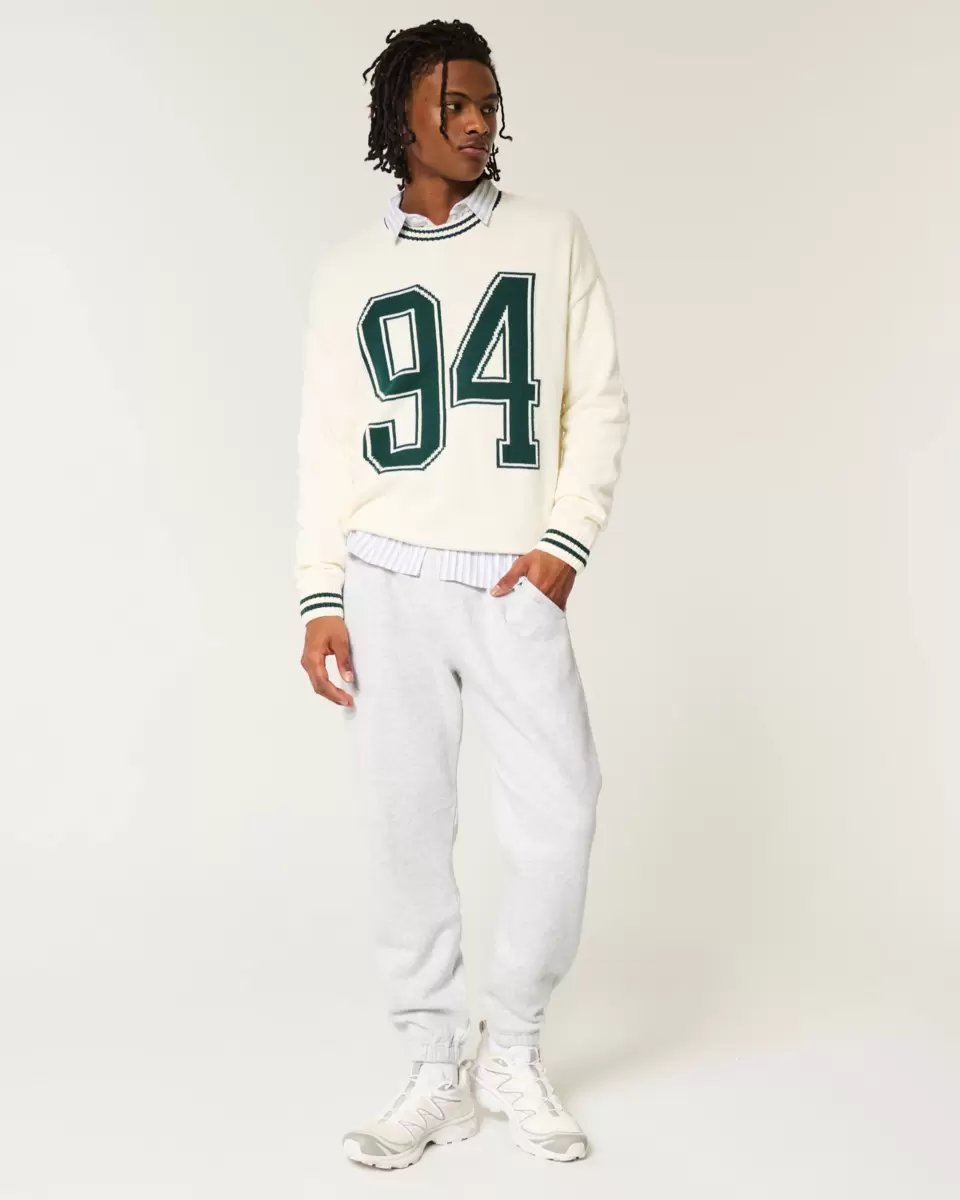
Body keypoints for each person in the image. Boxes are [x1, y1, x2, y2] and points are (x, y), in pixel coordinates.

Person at [295, 18, 630, 1170]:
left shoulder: (550, 238)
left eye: (489, 103)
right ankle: (436, 1067)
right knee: (405, 827)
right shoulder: (347, 271)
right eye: (455, 103)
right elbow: (324, 444)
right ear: (402, 117)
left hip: (508, 580)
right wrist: (319, 596)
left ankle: (513, 1047)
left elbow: (598, 399)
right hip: (384, 579)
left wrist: (566, 541)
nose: (480, 122)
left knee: (563, 812)